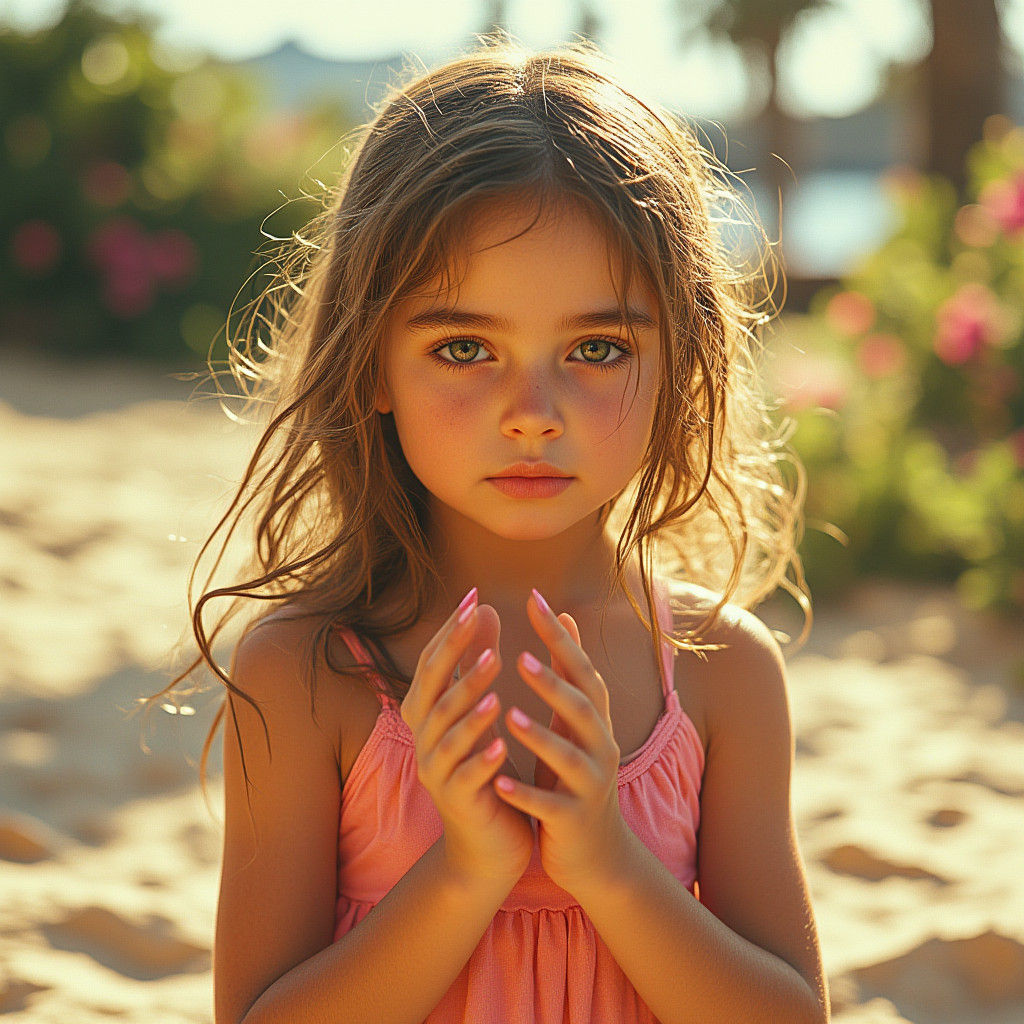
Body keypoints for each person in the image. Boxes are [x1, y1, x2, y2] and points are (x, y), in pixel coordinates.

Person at [153, 31, 829, 1024]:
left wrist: (605, 862)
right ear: (371, 360)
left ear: (679, 359)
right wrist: (468, 870)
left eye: (596, 347)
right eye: (465, 346)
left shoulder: (722, 670)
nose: (532, 410)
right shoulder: (308, 671)